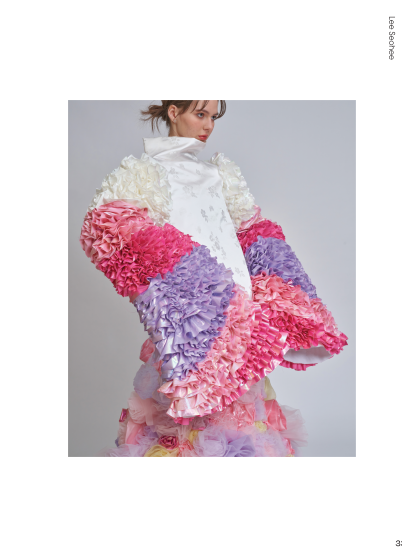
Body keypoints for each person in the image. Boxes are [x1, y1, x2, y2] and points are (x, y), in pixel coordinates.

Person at [79, 100, 348, 457]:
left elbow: (249, 232)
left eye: (213, 117)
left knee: (240, 418)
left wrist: (267, 291)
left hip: (240, 312)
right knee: (190, 418)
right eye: (200, 114)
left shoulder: (219, 174)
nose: (208, 126)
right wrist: (187, 284)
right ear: (174, 112)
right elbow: (110, 228)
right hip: (194, 319)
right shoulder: (146, 173)